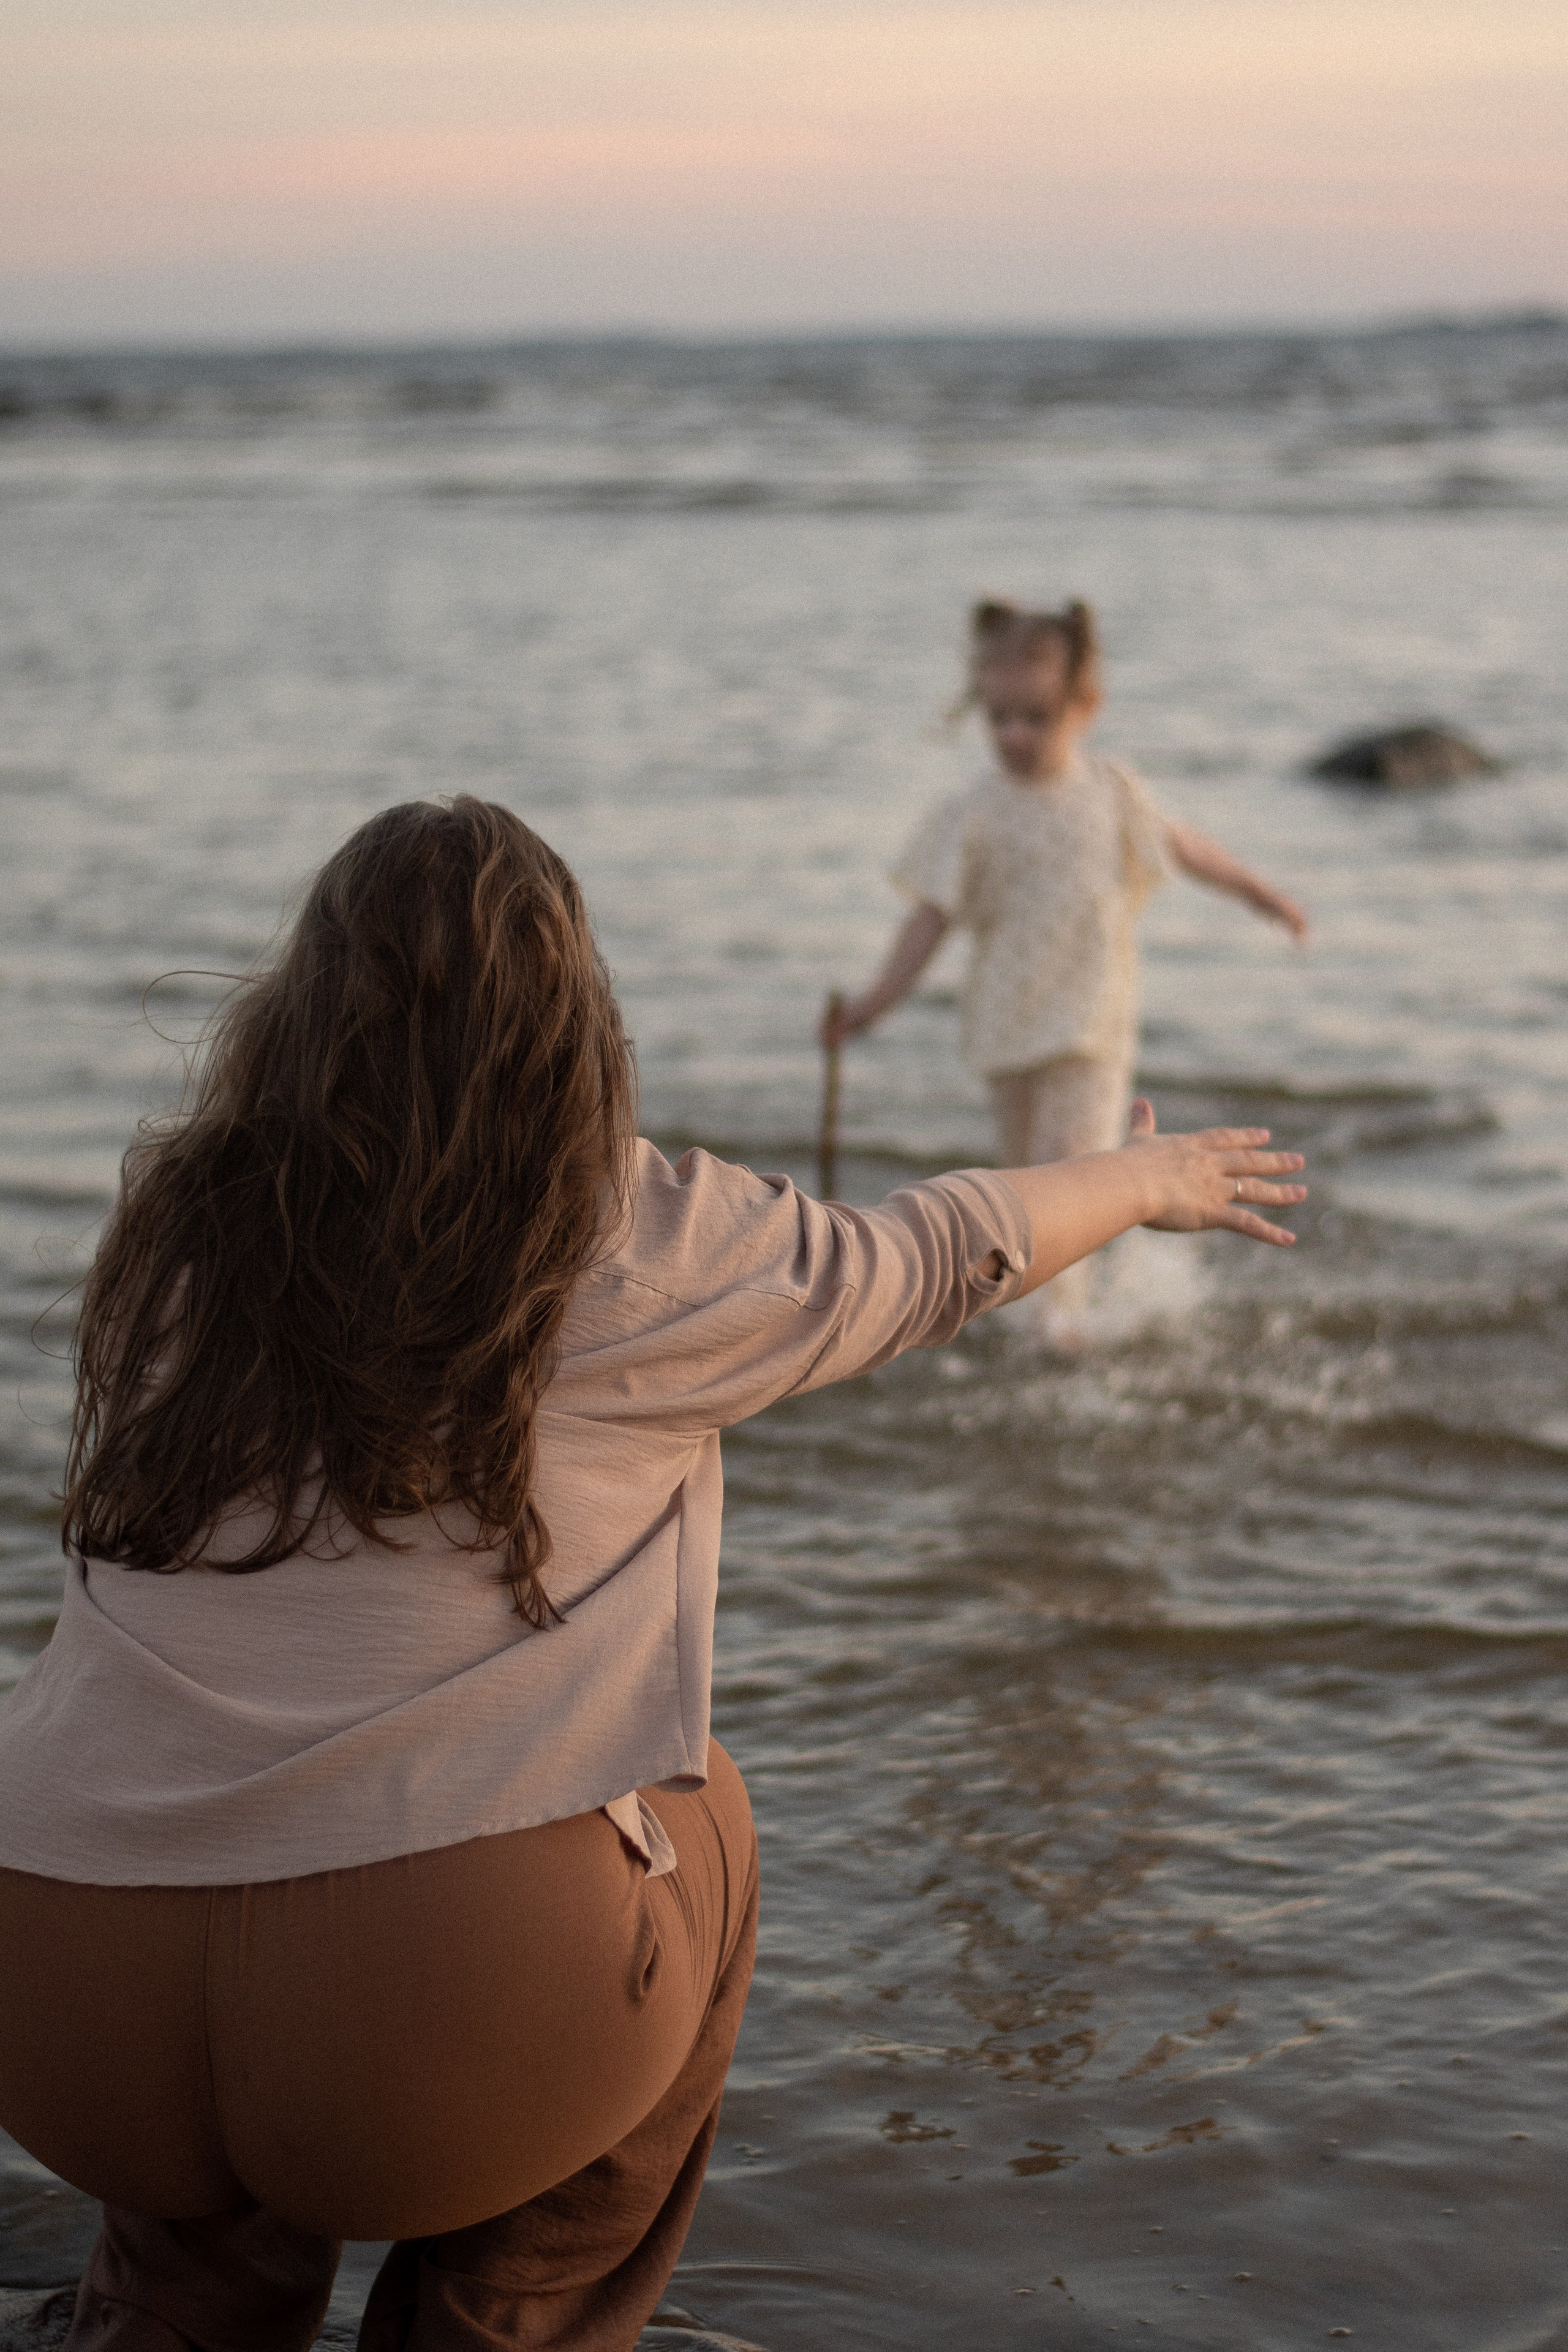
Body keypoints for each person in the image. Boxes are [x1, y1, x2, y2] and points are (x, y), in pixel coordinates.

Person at [0, 798, 1305, 2352]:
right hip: (425, 2019)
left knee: (188, 1761)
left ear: (302, 1007)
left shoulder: (176, 1227)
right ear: (570, 1022)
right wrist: (1139, 1181)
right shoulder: (630, 1232)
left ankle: (167, 2317)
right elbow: (939, 1247)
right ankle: (507, 2325)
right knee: (701, 1817)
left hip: (58, 1991)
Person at [822, 597, 1308, 1337]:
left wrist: (1257, 891)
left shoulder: (1111, 792)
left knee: (1071, 1175)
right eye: (999, 718)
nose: (1014, 736)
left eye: (1036, 717)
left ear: (1085, 705)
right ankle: (1030, 1326)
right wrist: (871, 1005)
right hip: (1009, 1029)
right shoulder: (975, 811)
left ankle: (1065, 1336)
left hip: (1089, 1027)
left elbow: (1184, 846)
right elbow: (929, 921)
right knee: (1020, 1195)